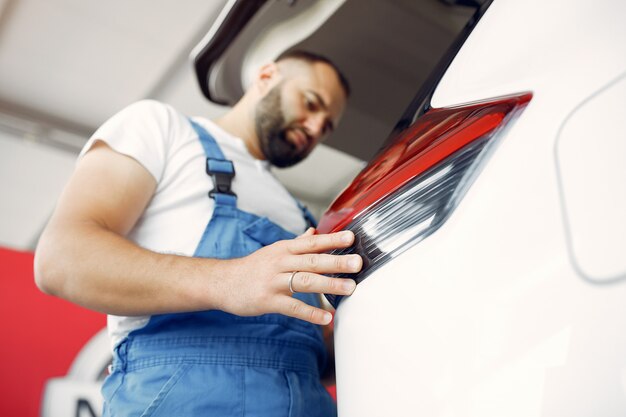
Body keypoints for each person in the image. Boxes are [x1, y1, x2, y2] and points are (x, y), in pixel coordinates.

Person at [34, 50, 360, 417]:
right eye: (311, 103)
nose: (316, 128)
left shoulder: (298, 212)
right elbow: (61, 258)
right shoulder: (162, 128)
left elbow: (316, 351)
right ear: (267, 76)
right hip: (183, 397)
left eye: (327, 125)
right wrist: (229, 280)